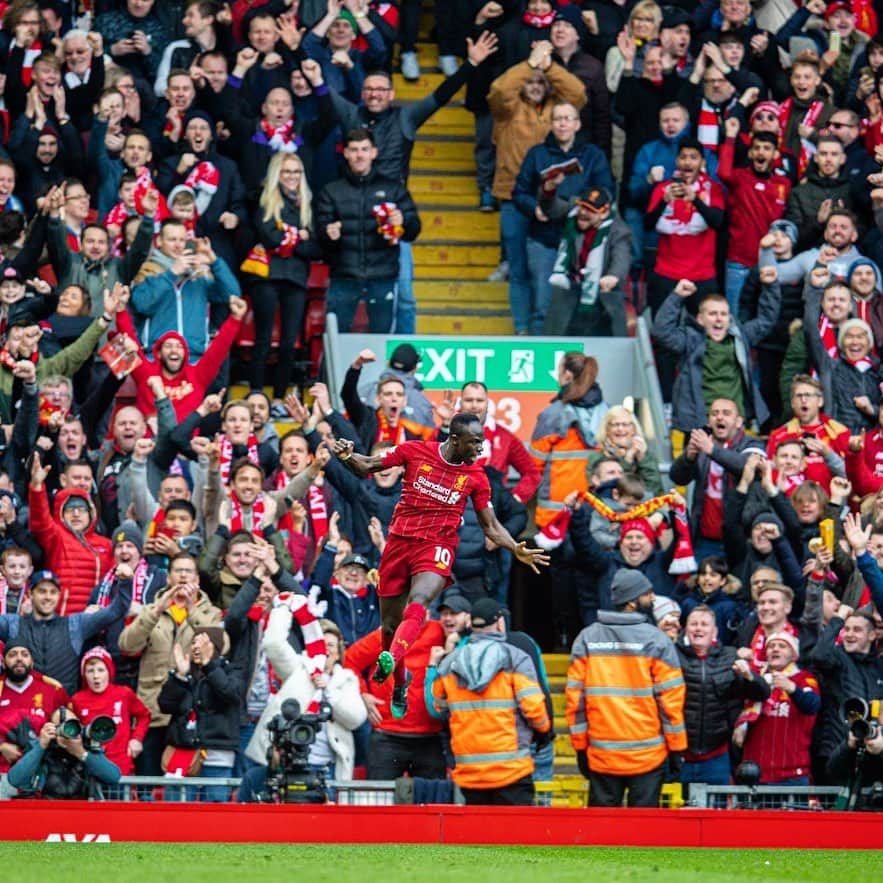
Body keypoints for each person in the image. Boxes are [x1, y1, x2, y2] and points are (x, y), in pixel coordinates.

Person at [331, 412, 548, 718]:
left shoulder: (476, 477)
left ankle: (391, 657)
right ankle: (398, 683)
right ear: (455, 440)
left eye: (482, 442)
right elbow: (366, 465)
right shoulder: (415, 451)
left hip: (436, 547)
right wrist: (346, 455)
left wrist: (515, 548)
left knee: (419, 601)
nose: (480, 449)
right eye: (474, 443)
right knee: (390, 627)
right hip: (399, 544)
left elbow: (491, 525)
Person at [566, 570, 687, 807]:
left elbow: (575, 700)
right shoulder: (657, 641)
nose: (652, 599)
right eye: (648, 594)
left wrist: (580, 747)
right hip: (648, 757)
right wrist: (677, 749)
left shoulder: (587, 639)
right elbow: (670, 702)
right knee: (642, 838)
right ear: (632, 602)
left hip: (602, 755)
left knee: (601, 838)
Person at [428, 597, 551, 805]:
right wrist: (543, 731)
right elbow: (534, 709)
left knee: (478, 835)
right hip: (512, 769)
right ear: (500, 623)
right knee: (515, 836)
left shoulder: (450, 663)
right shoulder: (516, 659)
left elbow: (438, 707)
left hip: (470, 772)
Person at [315, 128, 421, 333]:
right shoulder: (331, 191)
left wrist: (404, 220)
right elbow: (320, 237)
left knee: (381, 343)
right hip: (344, 277)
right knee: (336, 342)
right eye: (354, 150)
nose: (359, 155)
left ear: (374, 152)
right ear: (345, 153)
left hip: (382, 277)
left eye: (364, 149)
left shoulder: (393, 189)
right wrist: (329, 234)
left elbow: (414, 230)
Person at [677, 605, 769, 785]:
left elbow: (762, 693)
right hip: (679, 755)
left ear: (715, 631)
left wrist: (749, 677)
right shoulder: (673, 654)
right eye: (693, 624)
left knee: (717, 811)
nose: (698, 628)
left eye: (704, 624)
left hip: (717, 755)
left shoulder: (730, 656)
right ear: (686, 629)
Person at [733, 632, 821, 784]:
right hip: (754, 774)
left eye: (782, 646)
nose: (775, 649)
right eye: (771, 646)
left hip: (792, 775)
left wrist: (792, 689)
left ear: (793, 655)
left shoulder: (804, 678)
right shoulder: (755, 680)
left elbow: (812, 705)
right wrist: (741, 726)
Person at [6, 705, 121, 799]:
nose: (71, 730)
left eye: (74, 723)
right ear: (53, 729)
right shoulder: (42, 747)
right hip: (45, 814)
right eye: (65, 725)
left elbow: (113, 777)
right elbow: (15, 779)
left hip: (82, 815)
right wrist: (41, 746)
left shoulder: (86, 748)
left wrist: (82, 754)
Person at [70, 646, 151, 778]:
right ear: (84, 674)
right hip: (91, 770)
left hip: (122, 768)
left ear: (109, 672)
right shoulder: (77, 700)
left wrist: (136, 739)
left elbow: (144, 715)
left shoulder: (124, 694)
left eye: (101, 670)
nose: (96, 676)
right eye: (90, 671)